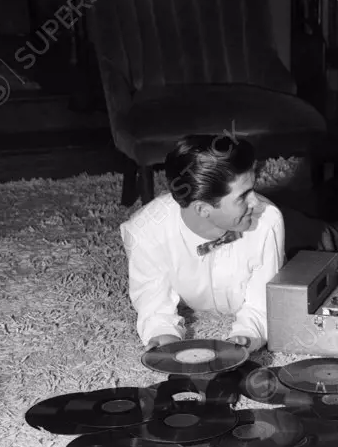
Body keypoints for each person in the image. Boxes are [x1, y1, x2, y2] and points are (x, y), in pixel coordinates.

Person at [120, 134, 285, 353]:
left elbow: (262, 304)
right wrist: (162, 333)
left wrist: (247, 335)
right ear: (202, 209)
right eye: (243, 196)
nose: (255, 202)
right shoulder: (144, 232)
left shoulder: (267, 221)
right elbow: (153, 303)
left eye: (252, 189)